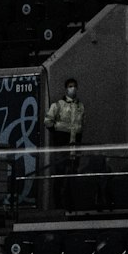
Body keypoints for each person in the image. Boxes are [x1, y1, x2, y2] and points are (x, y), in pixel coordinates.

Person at [44, 78, 85, 210]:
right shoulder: (58, 105)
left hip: (74, 146)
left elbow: (81, 125)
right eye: (70, 86)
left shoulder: (80, 106)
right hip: (62, 146)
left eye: (74, 86)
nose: (72, 89)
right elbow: (48, 122)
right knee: (60, 176)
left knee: (72, 176)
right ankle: (58, 205)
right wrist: (57, 134)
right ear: (66, 88)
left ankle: (70, 203)